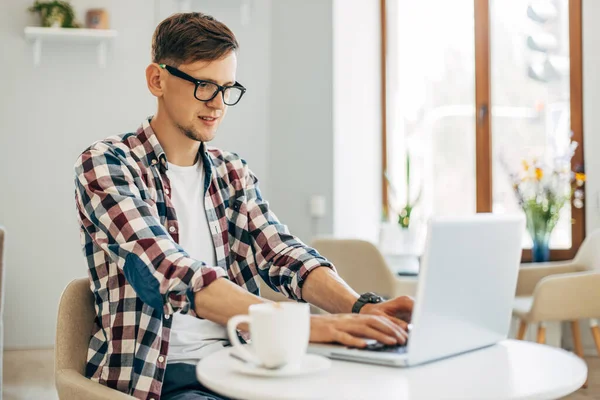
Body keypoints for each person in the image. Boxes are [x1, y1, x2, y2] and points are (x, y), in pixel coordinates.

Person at [74, 12, 413, 400]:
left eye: (227, 88)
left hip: (242, 362)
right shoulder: (106, 164)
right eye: (204, 86)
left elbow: (282, 253)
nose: (218, 104)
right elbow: (170, 271)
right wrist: (298, 326)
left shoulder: (231, 171)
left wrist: (360, 307)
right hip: (160, 377)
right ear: (157, 80)